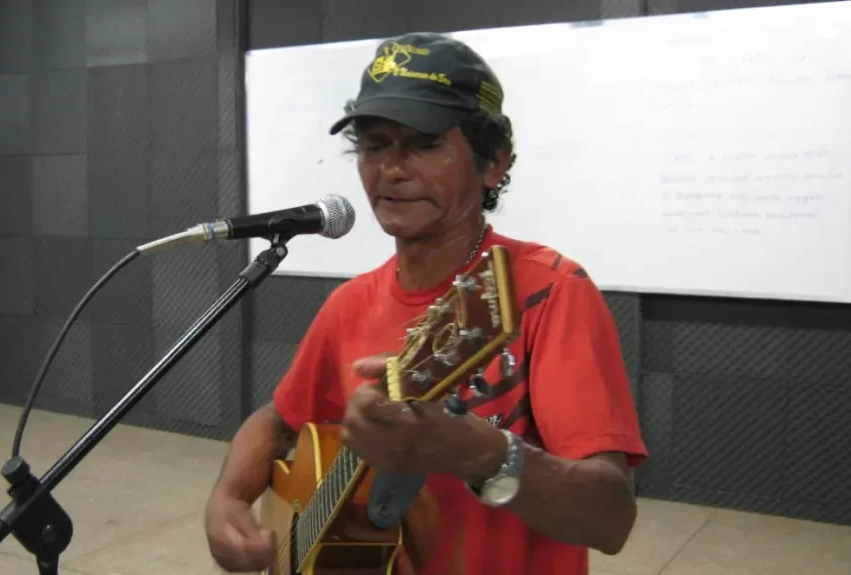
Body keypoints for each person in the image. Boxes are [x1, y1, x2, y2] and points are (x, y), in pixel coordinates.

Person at [204, 31, 648, 575]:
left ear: (493, 163)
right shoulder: (349, 304)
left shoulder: (549, 293)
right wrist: (228, 497)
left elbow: (609, 519)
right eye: (374, 145)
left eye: (424, 144)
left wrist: (481, 453)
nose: (390, 169)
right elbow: (280, 421)